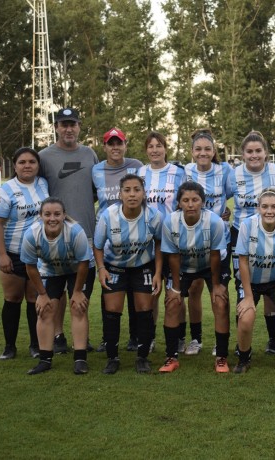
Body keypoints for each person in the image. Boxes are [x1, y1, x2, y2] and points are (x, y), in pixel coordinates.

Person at [0, 107, 99, 353]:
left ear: (79, 126)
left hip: (85, 232)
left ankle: (80, 340)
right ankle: (58, 336)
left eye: (73, 124)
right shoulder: (45, 156)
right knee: (56, 291)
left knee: (80, 289)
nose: (68, 129)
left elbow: (94, 189)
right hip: (51, 236)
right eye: (63, 124)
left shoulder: (90, 154)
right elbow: (23, 179)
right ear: (56, 128)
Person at [93, 174, 163, 374]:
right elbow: (97, 246)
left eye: (137, 190)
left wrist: (158, 272)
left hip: (143, 266)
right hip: (114, 266)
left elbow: (159, 243)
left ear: (143, 193)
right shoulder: (108, 215)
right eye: (127, 190)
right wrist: (101, 269)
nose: (132, 194)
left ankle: (142, 357)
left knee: (144, 309)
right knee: (112, 311)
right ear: (120, 194)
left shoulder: (153, 216)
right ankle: (112, 357)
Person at [161, 182, 231, 373]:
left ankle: (221, 358)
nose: (190, 204)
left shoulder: (214, 221)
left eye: (195, 200)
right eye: (185, 200)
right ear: (179, 203)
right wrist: (175, 289)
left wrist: (216, 285)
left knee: (220, 301)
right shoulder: (170, 222)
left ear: (203, 202)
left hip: (211, 264)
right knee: (172, 302)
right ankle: (171, 357)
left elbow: (216, 255)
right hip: (183, 264)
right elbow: (173, 256)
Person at [231, 131, 275, 355]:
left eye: (258, 151)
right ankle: (241, 345)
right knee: (243, 286)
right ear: (243, 154)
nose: (254, 155)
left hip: (273, 233)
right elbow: (220, 197)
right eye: (249, 151)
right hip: (241, 235)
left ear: (266, 153)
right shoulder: (233, 174)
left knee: (272, 282)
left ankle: (274, 340)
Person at [21, 197, 95, 375]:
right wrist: (42, 294)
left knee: (78, 307)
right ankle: (45, 359)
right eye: (47, 214)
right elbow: (30, 267)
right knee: (45, 309)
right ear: (40, 216)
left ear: (64, 216)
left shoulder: (75, 232)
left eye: (57, 214)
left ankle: (80, 358)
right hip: (51, 270)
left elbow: (84, 263)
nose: (52, 218)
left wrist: (77, 291)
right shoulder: (32, 234)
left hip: (79, 269)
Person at [233, 187, 275, 373]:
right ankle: (244, 358)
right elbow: (243, 262)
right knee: (245, 319)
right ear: (258, 208)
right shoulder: (247, 225)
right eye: (264, 207)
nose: (269, 211)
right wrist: (247, 296)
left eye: (273, 207)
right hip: (251, 281)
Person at [0, 147, 49, 360]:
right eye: (22, 162)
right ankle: (9, 346)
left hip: (39, 254)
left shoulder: (44, 184)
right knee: (12, 298)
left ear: (37, 165)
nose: (27, 165)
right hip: (13, 252)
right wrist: (3, 255)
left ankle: (35, 345)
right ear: (14, 165)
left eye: (32, 162)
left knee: (35, 298)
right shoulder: (6, 190)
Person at [92, 128, 144, 353]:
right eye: (110, 144)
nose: (115, 147)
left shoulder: (137, 166)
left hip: (135, 233)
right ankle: (108, 338)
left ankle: (135, 337)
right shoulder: (96, 170)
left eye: (119, 143)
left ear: (125, 145)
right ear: (104, 147)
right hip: (108, 236)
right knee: (109, 291)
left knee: (135, 291)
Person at [183, 129, 234, 357]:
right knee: (194, 289)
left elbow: (237, 195)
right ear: (192, 152)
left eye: (207, 149)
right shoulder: (185, 171)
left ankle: (219, 341)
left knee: (219, 291)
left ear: (213, 151)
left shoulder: (225, 171)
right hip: (191, 241)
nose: (202, 153)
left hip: (219, 241)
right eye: (198, 149)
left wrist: (226, 212)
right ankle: (196, 339)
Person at [138, 131, 186, 352]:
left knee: (175, 290)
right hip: (148, 241)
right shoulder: (140, 173)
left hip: (174, 239)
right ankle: (149, 338)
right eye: (150, 146)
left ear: (166, 148)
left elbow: (187, 200)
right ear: (146, 150)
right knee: (152, 291)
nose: (155, 150)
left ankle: (179, 337)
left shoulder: (178, 172)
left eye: (159, 145)